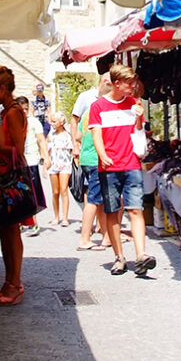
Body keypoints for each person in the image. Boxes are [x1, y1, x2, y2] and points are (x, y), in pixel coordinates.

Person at [90, 63, 155, 276]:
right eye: (129, 83)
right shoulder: (98, 106)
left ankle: (141, 255)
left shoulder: (134, 103)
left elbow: (138, 132)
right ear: (116, 84)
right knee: (112, 211)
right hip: (109, 166)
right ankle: (119, 256)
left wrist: (138, 117)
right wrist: (103, 155)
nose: (133, 86)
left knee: (136, 209)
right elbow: (96, 134)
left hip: (131, 164)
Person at [0, 66, 31, 306]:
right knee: (4, 229)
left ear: (3, 89)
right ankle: (9, 281)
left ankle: (15, 284)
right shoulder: (6, 111)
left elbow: (18, 149)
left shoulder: (13, 112)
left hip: (11, 176)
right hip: (3, 176)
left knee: (11, 231)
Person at [73, 74, 111, 250]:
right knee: (94, 200)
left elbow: (79, 135)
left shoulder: (89, 112)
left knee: (100, 199)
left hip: (86, 158)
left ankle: (106, 237)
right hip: (97, 159)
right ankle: (84, 238)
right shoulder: (104, 111)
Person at [17, 95, 49, 238]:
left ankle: (33, 222)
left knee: (32, 193)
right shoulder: (12, 122)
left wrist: (46, 157)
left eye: (25, 109)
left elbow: (41, 140)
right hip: (17, 162)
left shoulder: (34, 122)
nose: (23, 112)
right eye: (20, 109)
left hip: (31, 160)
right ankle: (20, 222)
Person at [45, 112, 74, 226]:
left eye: (54, 121)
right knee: (55, 192)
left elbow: (73, 150)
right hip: (53, 165)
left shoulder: (68, 135)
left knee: (63, 190)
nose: (52, 124)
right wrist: (45, 165)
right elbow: (47, 151)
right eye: (52, 121)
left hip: (65, 165)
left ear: (61, 122)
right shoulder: (51, 136)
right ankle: (56, 216)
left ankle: (65, 217)